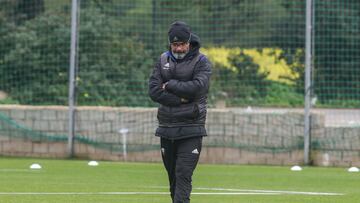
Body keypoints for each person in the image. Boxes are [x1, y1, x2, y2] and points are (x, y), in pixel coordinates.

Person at [148, 21, 212, 203]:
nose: (179, 48)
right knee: (173, 179)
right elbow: (153, 91)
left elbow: (198, 87)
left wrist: (170, 85)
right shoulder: (162, 60)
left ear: (189, 42)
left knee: (183, 174)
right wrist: (180, 99)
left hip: (191, 128)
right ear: (170, 44)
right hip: (166, 128)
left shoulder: (202, 61)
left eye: (182, 44)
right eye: (175, 44)